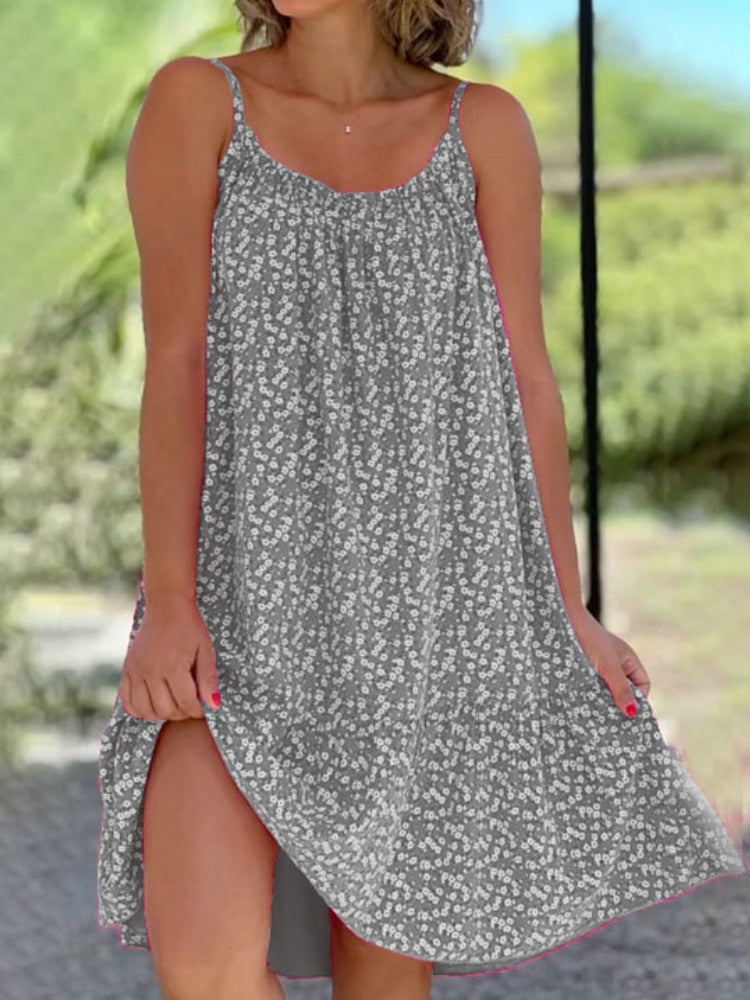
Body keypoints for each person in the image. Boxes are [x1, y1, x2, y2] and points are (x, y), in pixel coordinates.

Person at [96, 2, 746, 999]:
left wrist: (566, 608)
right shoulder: (198, 104)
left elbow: (527, 379)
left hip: (428, 620)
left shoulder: (483, 127)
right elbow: (176, 360)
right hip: (238, 604)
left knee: (384, 975)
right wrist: (173, 601)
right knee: (204, 968)